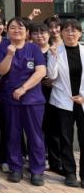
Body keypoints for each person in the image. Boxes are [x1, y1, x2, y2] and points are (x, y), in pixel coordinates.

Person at [0, 17, 47, 186]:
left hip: (32, 100)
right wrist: (10, 55)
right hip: (9, 99)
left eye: (20, 28)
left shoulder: (34, 49)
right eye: (12, 27)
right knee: (13, 134)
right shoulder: (3, 47)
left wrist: (24, 88)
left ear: (27, 32)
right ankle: (15, 168)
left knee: (35, 136)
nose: (16, 31)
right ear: (7, 30)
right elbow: (1, 71)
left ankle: (37, 170)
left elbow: (41, 72)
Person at [46, 19, 84, 188]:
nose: (70, 33)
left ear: (80, 33)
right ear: (61, 33)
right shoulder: (55, 51)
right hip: (63, 100)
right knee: (65, 138)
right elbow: (52, 76)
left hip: (82, 100)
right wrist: (53, 56)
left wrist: (83, 96)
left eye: (74, 30)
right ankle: (69, 173)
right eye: (67, 30)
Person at [31, 22, 63, 175]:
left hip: (53, 94)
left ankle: (55, 162)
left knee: (53, 129)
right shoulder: (29, 50)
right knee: (38, 129)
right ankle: (38, 159)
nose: (40, 36)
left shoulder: (55, 50)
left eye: (42, 32)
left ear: (48, 34)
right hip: (34, 93)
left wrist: (53, 81)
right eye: (36, 33)